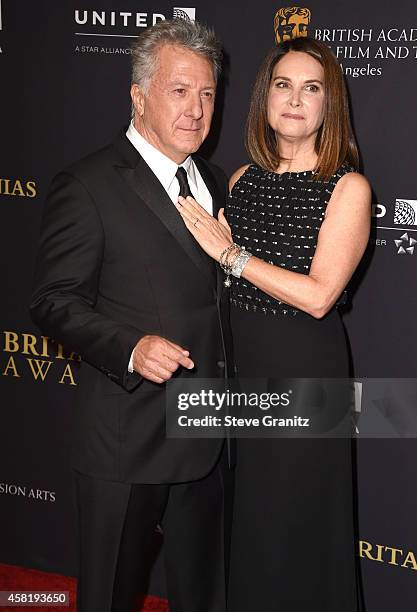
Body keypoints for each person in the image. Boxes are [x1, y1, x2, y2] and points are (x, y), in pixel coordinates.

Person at [30, 18, 232, 612]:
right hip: (127, 439)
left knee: (206, 596)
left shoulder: (215, 181)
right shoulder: (88, 184)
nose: (196, 110)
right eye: (178, 90)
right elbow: (52, 300)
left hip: (209, 435)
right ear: (139, 96)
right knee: (112, 598)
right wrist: (129, 346)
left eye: (207, 93)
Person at [175, 36, 371, 611]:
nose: (294, 99)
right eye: (283, 85)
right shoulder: (239, 182)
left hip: (305, 374)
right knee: (252, 517)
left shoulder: (348, 187)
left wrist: (231, 255)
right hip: (241, 371)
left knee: (300, 520)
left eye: (312, 88)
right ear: (264, 98)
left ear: (329, 105)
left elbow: (318, 296)